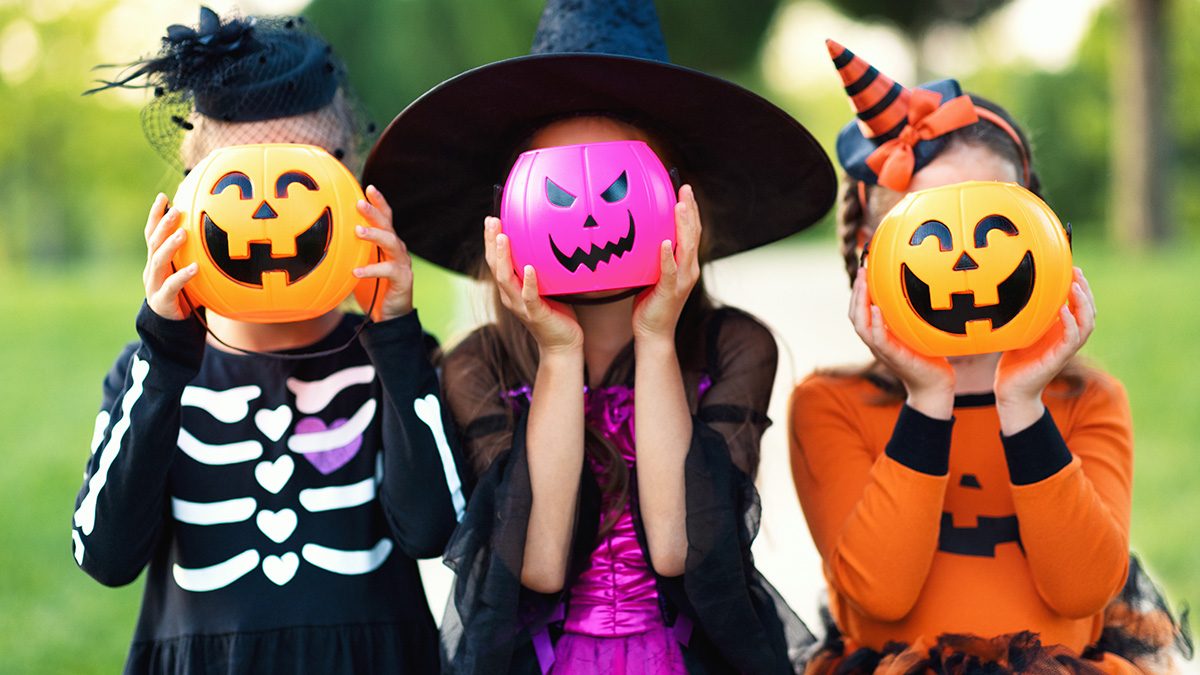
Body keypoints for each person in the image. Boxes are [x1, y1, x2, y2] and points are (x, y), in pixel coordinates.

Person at [362, 1, 836, 672]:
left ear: (677, 198)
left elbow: (679, 547)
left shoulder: (733, 345)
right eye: (555, 190)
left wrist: (658, 338)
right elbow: (539, 561)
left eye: (618, 185)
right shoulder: (481, 366)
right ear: (512, 209)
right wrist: (557, 352)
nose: (588, 213)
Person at [73, 9, 466, 673]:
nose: (268, 214)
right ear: (189, 205)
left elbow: (434, 529)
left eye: (299, 182)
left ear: (350, 190)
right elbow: (105, 555)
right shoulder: (154, 371)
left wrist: (394, 334)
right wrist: (164, 350)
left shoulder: (392, 357)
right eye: (235, 188)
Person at [788, 40, 1192, 674]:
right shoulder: (831, 404)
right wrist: (926, 400)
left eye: (993, 224)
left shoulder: (1087, 401)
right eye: (927, 233)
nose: (962, 261)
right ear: (871, 250)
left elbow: (1084, 588)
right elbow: (881, 594)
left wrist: (1022, 405)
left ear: (1041, 231)